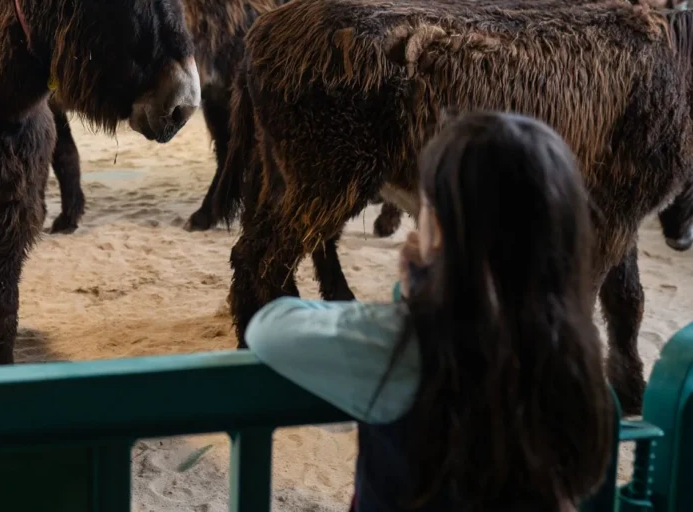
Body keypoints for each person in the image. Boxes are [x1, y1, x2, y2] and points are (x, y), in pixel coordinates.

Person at [246, 111, 613, 511]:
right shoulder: (576, 358)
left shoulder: (403, 345)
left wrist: (419, 293)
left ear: (435, 229)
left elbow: (268, 328)